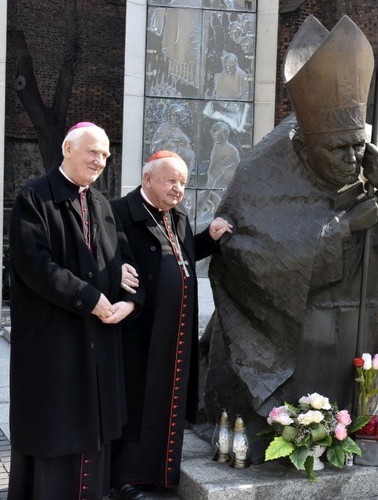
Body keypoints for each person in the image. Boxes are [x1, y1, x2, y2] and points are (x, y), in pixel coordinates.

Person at [199, 15, 378, 464]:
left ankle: (349, 431)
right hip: (288, 329)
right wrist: (343, 229)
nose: (351, 159)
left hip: (354, 319)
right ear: (303, 146)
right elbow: (246, 256)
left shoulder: (376, 148)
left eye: (355, 147)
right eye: (336, 149)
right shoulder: (262, 167)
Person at [7, 122, 144, 499]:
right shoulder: (33, 198)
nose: (100, 160)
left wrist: (129, 301)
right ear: (68, 148)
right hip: (55, 341)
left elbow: (125, 261)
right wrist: (91, 300)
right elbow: (35, 265)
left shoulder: (101, 204)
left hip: (99, 340)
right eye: (92, 152)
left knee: (91, 433)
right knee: (56, 428)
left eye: (105, 155)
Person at [109, 151, 232, 499]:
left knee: (169, 402)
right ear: (148, 179)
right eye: (171, 180)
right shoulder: (120, 213)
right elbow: (106, 258)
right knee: (139, 403)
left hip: (176, 331)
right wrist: (115, 271)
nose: (178, 187)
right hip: (140, 330)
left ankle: (161, 473)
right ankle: (127, 478)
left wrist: (209, 237)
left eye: (182, 181)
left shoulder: (176, 216)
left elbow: (182, 254)